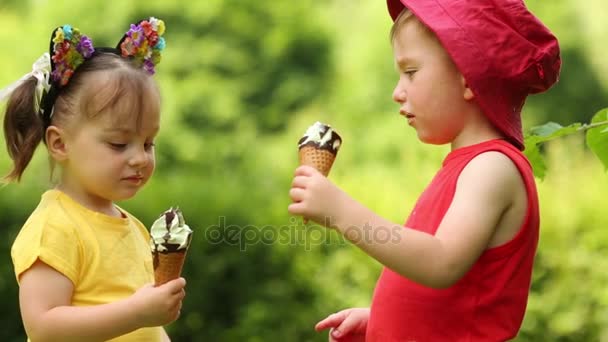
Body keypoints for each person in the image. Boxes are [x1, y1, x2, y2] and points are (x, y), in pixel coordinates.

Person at [288, 0, 561, 340]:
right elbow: (451, 298)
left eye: (411, 72)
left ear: (469, 78)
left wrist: (340, 210)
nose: (396, 93)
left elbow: (441, 261)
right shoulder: (466, 166)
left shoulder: (492, 168)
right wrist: (384, 321)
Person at [1, 18, 185, 341]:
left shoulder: (134, 227)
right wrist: (137, 312)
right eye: (118, 144)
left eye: (148, 143)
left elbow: (147, 332)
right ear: (60, 143)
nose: (140, 158)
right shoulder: (55, 228)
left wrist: (148, 318)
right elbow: (43, 327)